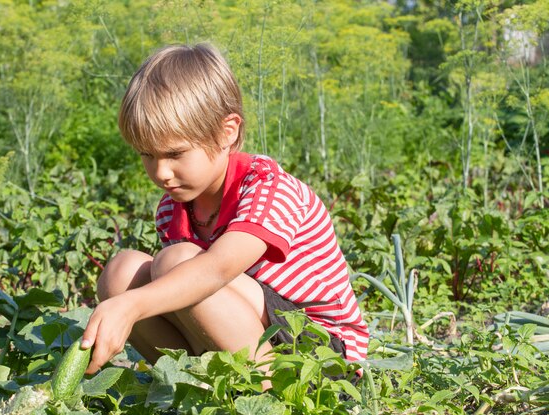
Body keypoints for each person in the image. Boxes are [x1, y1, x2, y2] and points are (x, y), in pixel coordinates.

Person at [81, 43, 369, 378]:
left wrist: (131, 306)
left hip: (320, 354)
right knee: (122, 272)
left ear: (226, 132)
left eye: (174, 154)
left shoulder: (267, 188)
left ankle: (268, 393)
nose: (160, 172)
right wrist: (122, 297)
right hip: (249, 335)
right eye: (147, 154)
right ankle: (195, 383)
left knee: (176, 264)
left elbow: (215, 270)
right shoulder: (172, 208)